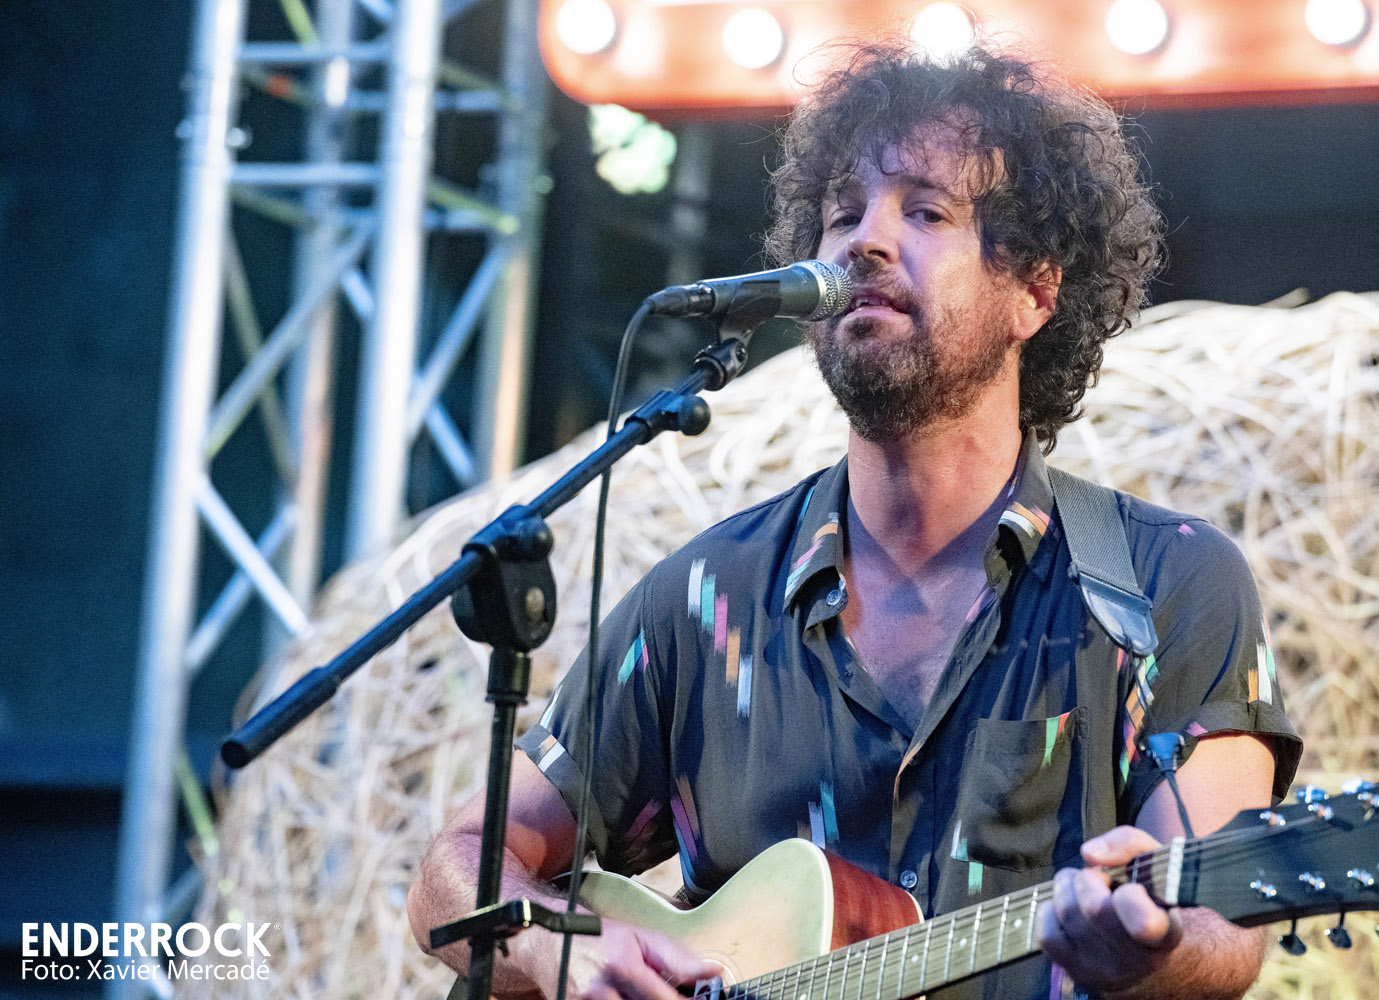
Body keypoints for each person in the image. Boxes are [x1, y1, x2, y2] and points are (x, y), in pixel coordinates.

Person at [408, 35, 1302, 1000]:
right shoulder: (705, 601)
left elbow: (1224, 934)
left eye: (925, 210)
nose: (863, 241)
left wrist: (1155, 948)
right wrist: (558, 950)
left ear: (1036, 291)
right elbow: (458, 867)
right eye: (843, 213)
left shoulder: (1161, 586)